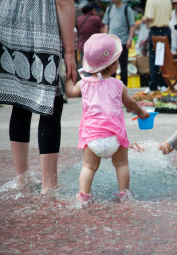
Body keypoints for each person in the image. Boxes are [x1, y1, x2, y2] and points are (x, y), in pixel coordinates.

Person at [0, 0, 77, 194]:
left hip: (4, 17)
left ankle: (23, 177)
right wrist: (70, 52)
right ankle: (49, 185)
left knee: (21, 97)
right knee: (51, 101)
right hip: (36, 22)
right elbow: (63, 2)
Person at [65, 33, 150, 203]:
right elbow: (131, 105)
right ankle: (124, 193)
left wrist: (69, 78)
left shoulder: (83, 84)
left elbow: (70, 92)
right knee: (122, 165)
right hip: (115, 138)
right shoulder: (119, 85)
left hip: (93, 138)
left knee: (88, 167)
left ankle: (83, 196)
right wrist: (142, 114)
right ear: (113, 65)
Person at [103, 0, 136, 87]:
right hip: (111, 42)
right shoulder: (109, 9)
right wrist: (106, 37)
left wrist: (130, 39)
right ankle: (111, 86)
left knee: (123, 65)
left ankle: (123, 86)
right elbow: (106, 24)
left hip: (123, 41)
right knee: (110, 65)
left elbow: (132, 25)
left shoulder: (127, 9)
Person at [142, 0, 172, 91]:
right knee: (164, 58)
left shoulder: (151, 1)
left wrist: (143, 19)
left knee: (154, 58)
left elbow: (150, 17)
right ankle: (164, 83)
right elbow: (170, 17)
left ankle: (153, 85)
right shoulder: (168, 1)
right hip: (166, 31)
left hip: (155, 31)